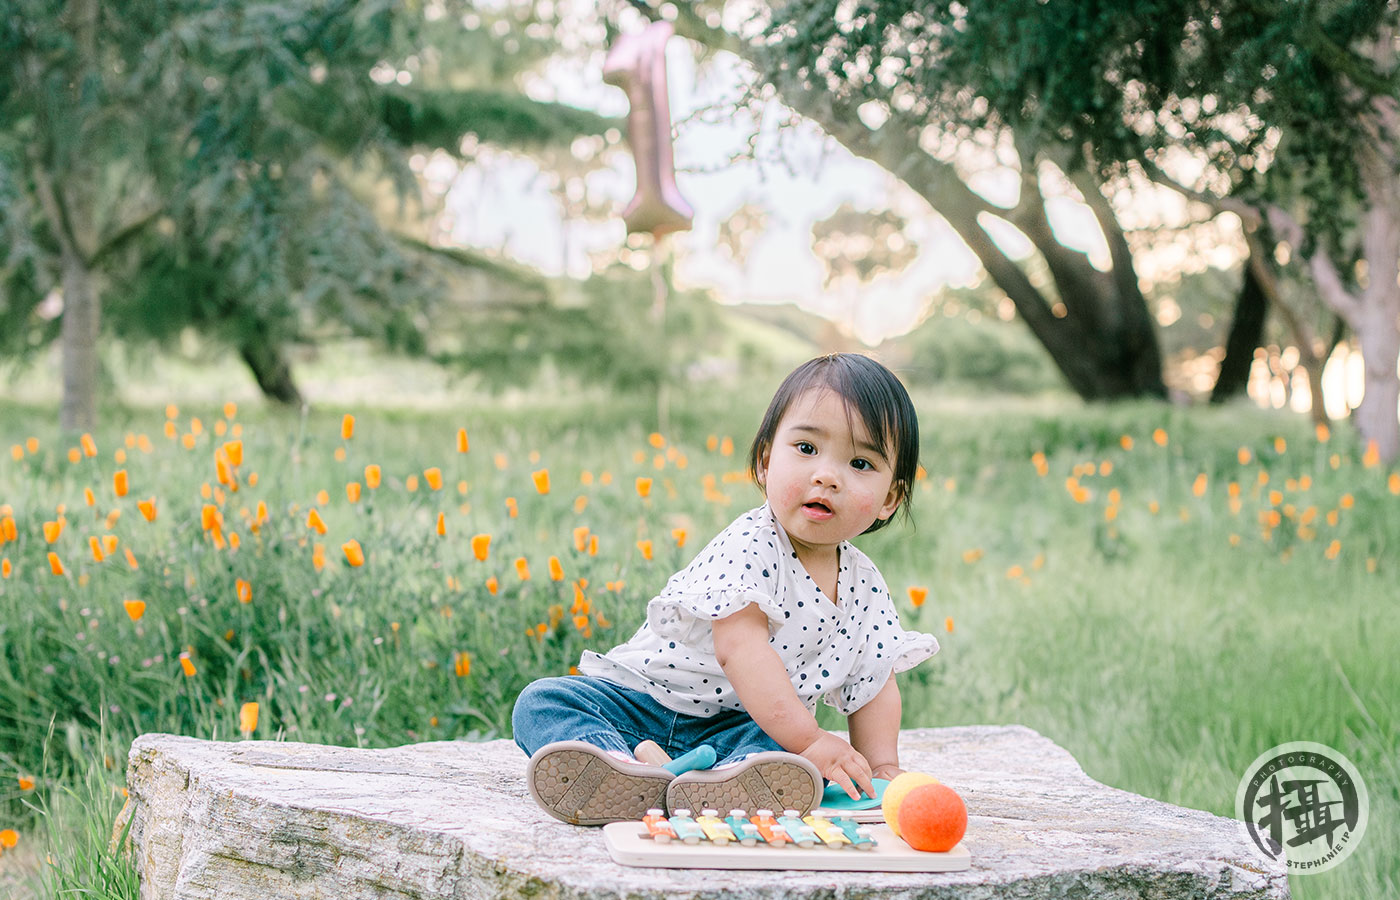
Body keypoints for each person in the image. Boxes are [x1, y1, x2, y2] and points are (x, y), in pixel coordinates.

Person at [512, 353, 939, 825]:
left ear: (890, 499)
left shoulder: (865, 585)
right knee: (543, 701)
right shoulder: (751, 544)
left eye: (859, 462)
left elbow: (875, 682)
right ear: (763, 461)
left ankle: (718, 781)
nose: (826, 475)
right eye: (806, 449)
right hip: (643, 706)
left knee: (779, 751)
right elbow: (740, 648)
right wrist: (814, 741)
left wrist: (881, 768)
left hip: (739, 728)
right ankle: (627, 770)